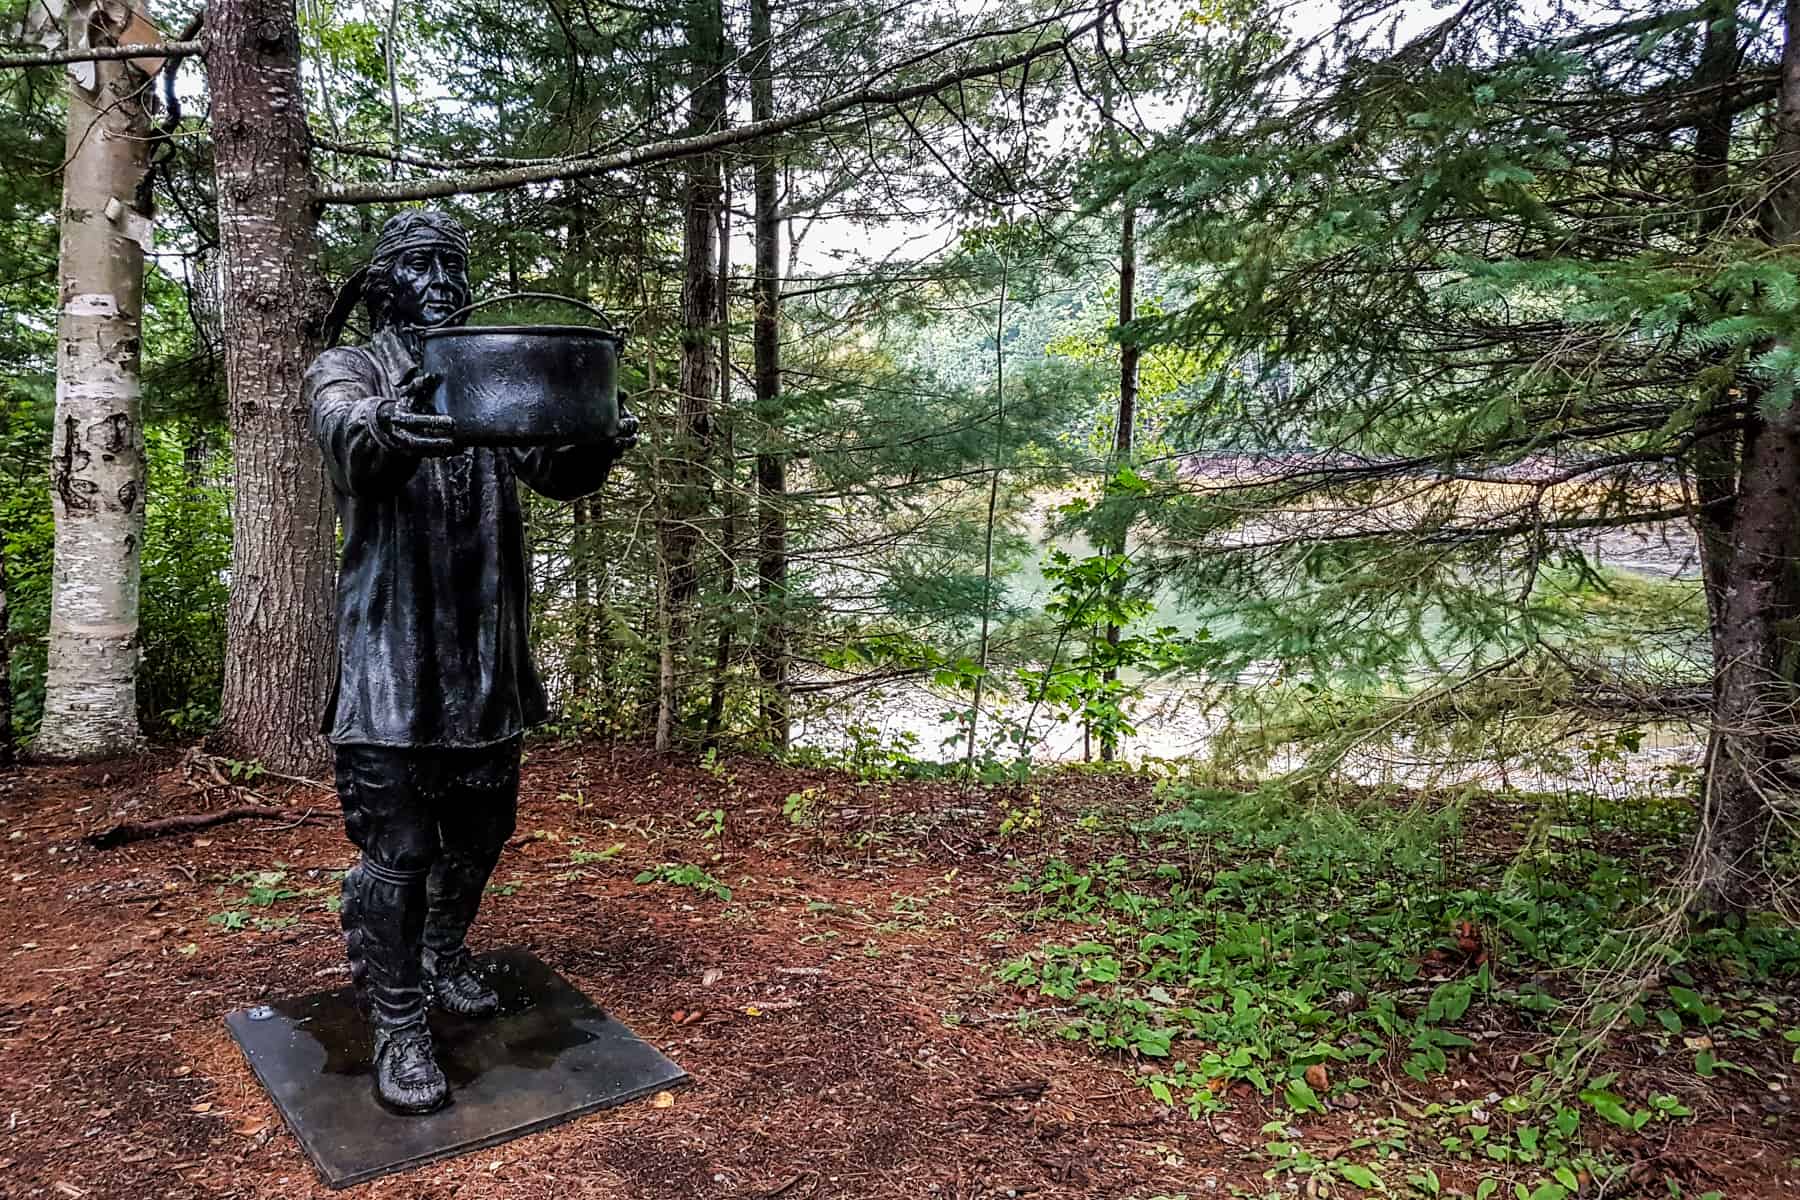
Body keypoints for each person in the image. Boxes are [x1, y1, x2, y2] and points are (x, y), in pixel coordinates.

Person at [305, 210, 637, 1114]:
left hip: (484, 654)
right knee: (398, 848)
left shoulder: (480, 361)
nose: (442, 280)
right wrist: (389, 422)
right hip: (392, 659)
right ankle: (399, 1021)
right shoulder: (351, 369)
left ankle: (444, 955)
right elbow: (349, 439)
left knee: (484, 831)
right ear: (382, 286)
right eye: (419, 266)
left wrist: (591, 438)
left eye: (452, 264)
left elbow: (549, 465)